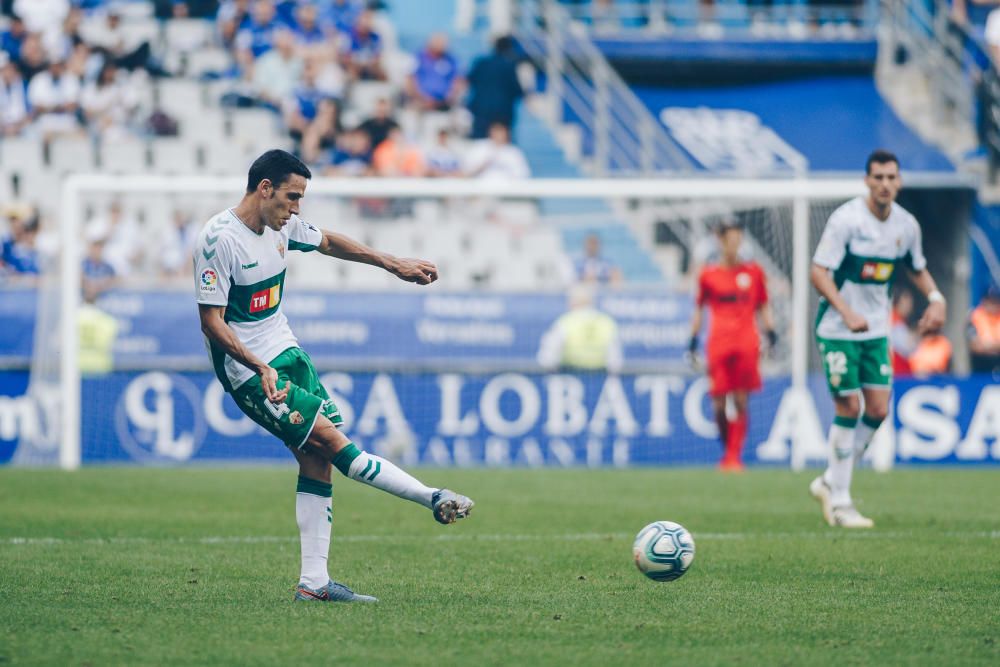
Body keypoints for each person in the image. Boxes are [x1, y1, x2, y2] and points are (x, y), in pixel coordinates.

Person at [193, 149, 473, 603]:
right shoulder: (218, 239)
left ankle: (315, 584)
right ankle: (434, 497)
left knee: (316, 458)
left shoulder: (281, 225)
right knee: (334, 445)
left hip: (287, 352)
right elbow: (212, 322)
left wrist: (392, 263)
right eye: (292, 197)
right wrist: (258, 366)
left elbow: (328, 242)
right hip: (248, 371)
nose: (297, 208)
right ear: (265, 189)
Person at [809, 149, 946, 529]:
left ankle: (829, 480)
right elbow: (818, 273)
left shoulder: (906, 226)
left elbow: (916, 268)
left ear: (899, 182)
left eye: (891, 178)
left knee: (879, 409)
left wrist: (936, 298)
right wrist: (846, 310)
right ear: (867, 181)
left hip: (875, 331)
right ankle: (840, 501)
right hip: (838, 329)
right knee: (849, 407)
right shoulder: (846, 221)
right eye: (878, 178)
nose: (885, 184)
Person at [687, 220, 775, 471]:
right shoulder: (708, 275)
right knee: (717, 401)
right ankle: (729, 450)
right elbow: (699, 310)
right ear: (721, 240)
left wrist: (771, 333)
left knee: (740, 399)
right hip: (718, 343)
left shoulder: (754, 273)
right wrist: (692, 341)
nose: (735, 245)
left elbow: (763, 305)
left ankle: (734, 457)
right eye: (731, 239)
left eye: (739, 239)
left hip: (747, 342)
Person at [537, 284, 623, 373]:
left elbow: (548, 356)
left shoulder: (566, 321)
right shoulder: (606, 322)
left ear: (573, 301)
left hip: (570, 376)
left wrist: (551, 370)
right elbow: (615, 360)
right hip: (600, 378)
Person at [466, 35, 523, 140]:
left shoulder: (481, 62)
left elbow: (469, 81)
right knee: (502, 147)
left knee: (479, 143)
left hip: (480, 110)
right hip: (502, 112)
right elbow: (517, 91)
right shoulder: (509, 66)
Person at [968, 283, 1000, 374]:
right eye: (990, 301)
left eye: (996, 301)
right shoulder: (974, 317)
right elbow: (975, 346)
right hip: (980, 367)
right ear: (984, 301)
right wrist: (996, 345)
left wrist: (987, 345)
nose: (993, 305)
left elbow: (982, 345)